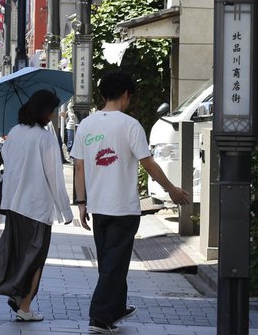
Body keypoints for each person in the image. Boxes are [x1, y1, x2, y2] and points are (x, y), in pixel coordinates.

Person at [71, 70, 191, 334]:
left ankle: (115, 308)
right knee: (115, 264)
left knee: (109, 262)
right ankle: (100, 318)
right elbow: (148, 163)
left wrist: (81, 203)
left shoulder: (86, 125)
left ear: (102, 94)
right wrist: (171, 189)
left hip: (98, 207)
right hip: (123, 207)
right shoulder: (130, 125)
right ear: (126, 95)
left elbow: (79, 167)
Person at [0, 89, 72, 322]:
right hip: (36, 208)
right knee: (35, 259)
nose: (53, 115)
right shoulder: (44, 138)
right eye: (51, 111)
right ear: (44, 112)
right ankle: (24, 306)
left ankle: (17, 296)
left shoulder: (14, 132)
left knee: (19, 253)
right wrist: (66, 210)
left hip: (14, 205)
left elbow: (8, 163)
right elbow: (55, 176)